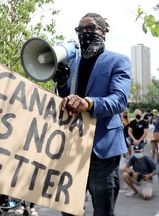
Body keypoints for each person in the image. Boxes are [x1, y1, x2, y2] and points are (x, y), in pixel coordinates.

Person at [54, 12, 131, 216]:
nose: (84, 34)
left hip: (102, 150)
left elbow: (119, 100)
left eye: (90, 29)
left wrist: (88, 103)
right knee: (69, 208)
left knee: (103, 210)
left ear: (104, 32)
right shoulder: (73, 63)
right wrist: (61, 84)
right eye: (80, 30)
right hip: (72, 147)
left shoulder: (118, 61)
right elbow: (66, 98)